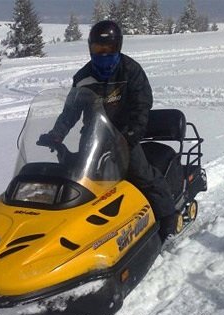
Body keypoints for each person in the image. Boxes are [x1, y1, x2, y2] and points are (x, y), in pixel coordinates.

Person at [38, 20, 177, 241]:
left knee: (142, 174)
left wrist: (133, 133)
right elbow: (70, 112)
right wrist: (57, 134)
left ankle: (168, 216)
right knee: (79, 178)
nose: (103, 55)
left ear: (118, 47)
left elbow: (142, 105)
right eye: (98, 49)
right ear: (90, 48)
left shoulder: (130, 70)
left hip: (124, 136)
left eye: (108, 49)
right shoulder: (83, 77)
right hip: (93, 136)